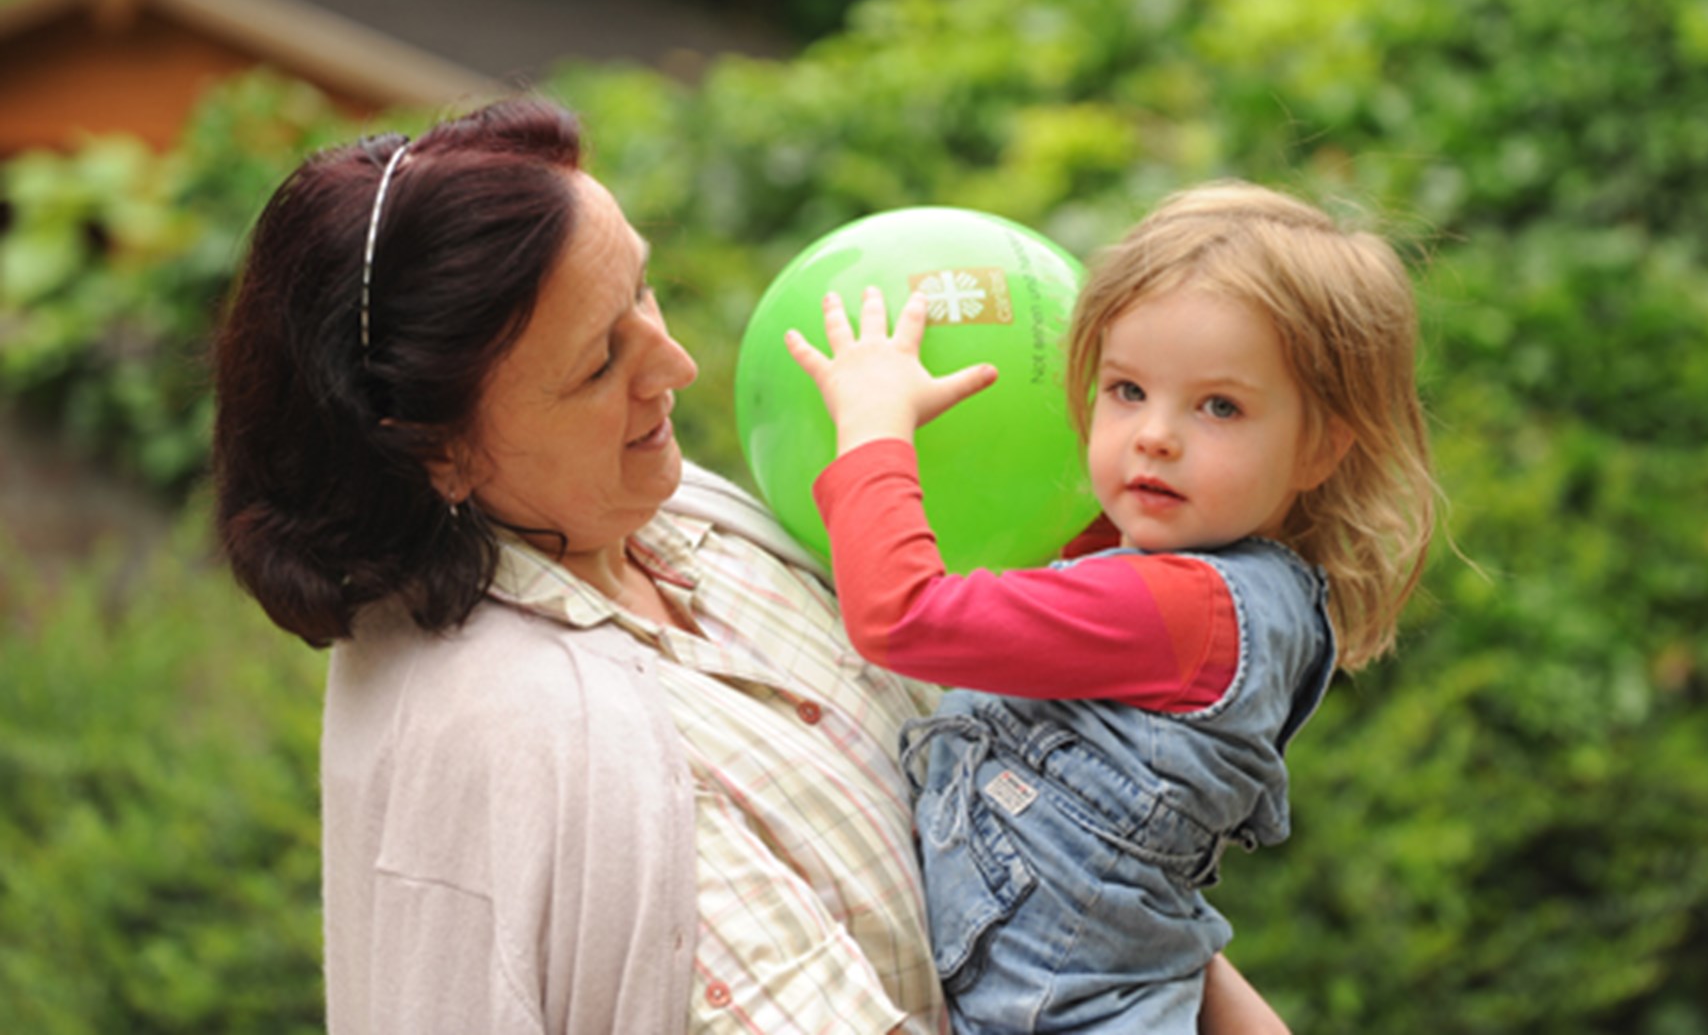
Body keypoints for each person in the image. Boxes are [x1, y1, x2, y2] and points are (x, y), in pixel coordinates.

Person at [212, 96, 1290, 1034]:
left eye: (642, 289)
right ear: (436, 447)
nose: (673, 362)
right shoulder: (529, 733)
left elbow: (1048, 847)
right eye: (600, 361)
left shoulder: (686, 521)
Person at [784, 181, 1437, 1033]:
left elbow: (903, 617)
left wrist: (875, 428)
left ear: (1319, 445)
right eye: (1126, 389)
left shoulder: (1180, 606)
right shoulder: (1215, 584)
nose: (1154, 434)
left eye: (1220, 406)